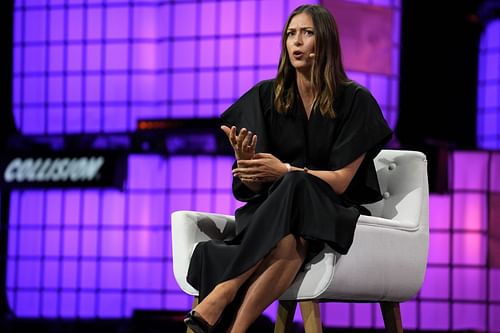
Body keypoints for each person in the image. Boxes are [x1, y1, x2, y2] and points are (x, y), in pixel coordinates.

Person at [184, 4, 392, 333]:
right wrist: (248, 167)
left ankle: (225, 289)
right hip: (271, 218)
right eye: (290, 34)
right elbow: (251, 189)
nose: (296, 41)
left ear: (324, 42)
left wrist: (283, 170)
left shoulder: (356, 101)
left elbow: (339, 182)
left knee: (296, 182)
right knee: (288, 242)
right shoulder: (265, 96)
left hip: (331, 212)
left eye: (307, 33)